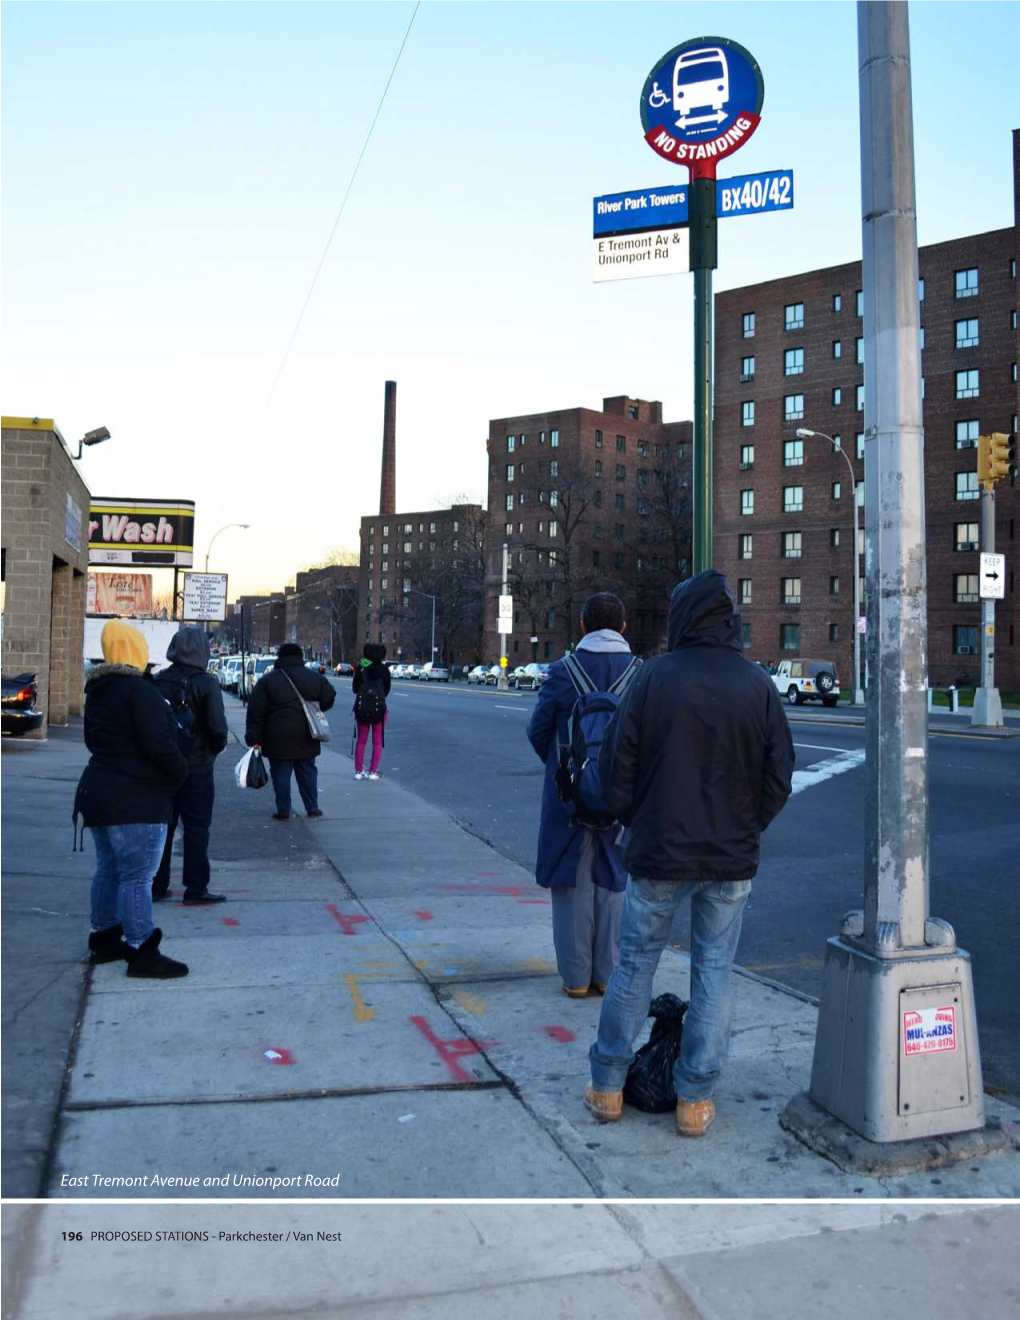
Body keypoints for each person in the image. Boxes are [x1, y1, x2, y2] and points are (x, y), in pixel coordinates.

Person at [584, 570, 795, 1135]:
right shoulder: (757, 684)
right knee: (715, 972)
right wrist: (747, 827)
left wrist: (638, 820)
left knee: (634, 965)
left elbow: (615, 767)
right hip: (730, 857)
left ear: (682, 618)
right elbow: (779, 776)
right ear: (727, 619)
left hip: (658, 852)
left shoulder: (655, 677)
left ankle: (607, 1086)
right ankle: (694, 1100)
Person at [526, 592, 640, 999]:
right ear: (623, 627)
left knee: (571, 879)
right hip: (622, 799)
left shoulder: (562, 671)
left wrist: (567, 775)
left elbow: (538, 732)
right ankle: (607, 975)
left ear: (582, 625)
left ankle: (575, 978)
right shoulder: (640, 673)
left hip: (568, 799)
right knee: (614, 880)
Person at [72, 620, 191, 978]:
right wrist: (180, 772)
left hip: (99, 793)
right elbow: (160, 745)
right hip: (137, 799)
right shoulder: (140, 692)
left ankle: (104, 937)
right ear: (136, 651)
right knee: (137, 875)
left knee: (109, 869)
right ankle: (141, 949)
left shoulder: (98, 690)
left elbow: (94, 742)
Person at [151, 626, 229, 905]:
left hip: (164, 768)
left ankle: (157, 884)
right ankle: (195, 887)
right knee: (197, 828)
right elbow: (218, 728)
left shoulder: (159, 681)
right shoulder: (206, 684)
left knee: (163, 827)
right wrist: (211, 751)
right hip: (197, 768)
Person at [245, 642, 336, 819]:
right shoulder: (313, 677)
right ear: (299, 657)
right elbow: (329, 697)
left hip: (277, 736)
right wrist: (316, 708)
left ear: (280, 657)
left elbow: (256, 712)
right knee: (308, 771)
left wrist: (254, 738)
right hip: (307, 733)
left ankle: (283, 810)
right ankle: (312, 807)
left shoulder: (268, 681)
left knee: (281, 775)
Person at [352, 642, 391, 780]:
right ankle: (373, 772)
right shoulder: (384, 669)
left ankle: (358, 771)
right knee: (377, 741)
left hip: (362, 708)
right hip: (379, 709)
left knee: (361, 741)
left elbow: (355, 689)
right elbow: (387, 690)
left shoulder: (361, 667)